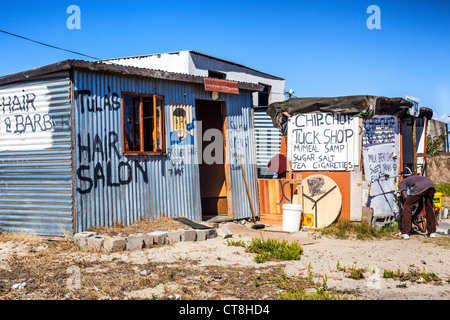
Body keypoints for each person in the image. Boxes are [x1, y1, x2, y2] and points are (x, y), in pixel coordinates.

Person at [396, 175, 437, 239]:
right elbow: (420, 206)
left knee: (407, 207)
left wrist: (408, 201)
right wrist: (413, 217)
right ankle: (432, 232)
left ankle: (405, 232)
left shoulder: (402, 182)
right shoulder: (416, 179)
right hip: (431, 186)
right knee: (429, 208)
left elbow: (405, 196)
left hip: (420, 187)